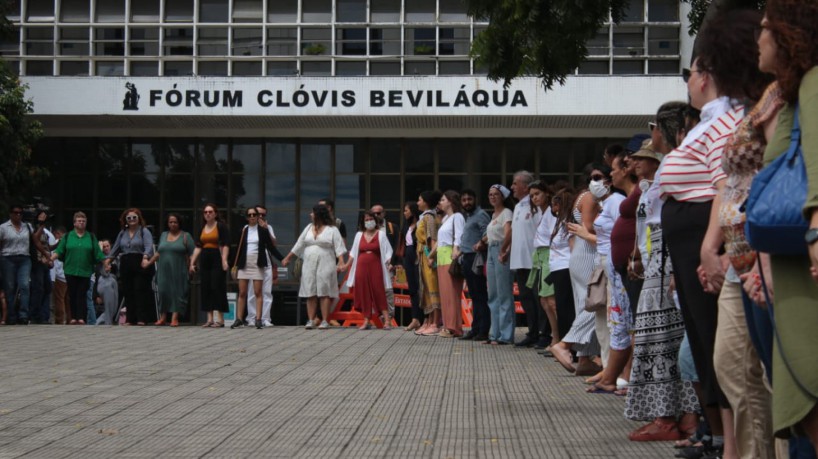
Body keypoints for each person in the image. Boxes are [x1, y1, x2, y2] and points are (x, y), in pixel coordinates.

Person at [659, 10, 772, 456]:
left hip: (733, 249)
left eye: (693, 72)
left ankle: (729, 442)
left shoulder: (733, 117)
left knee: (738, 363)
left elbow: (722, 185)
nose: (688, 80)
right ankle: (729, 443)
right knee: (724, 359)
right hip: (720, 248)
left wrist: (709, 245)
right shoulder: (724, 118)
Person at [751, 1, 818, 453]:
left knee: (810, 383)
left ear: (787, 35)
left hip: (806, 265)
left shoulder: (813, 83)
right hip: (792, 263)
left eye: (764, 30)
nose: (757, 39)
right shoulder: (798, 89)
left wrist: (815, 228)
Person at [626, 102, 700, 443]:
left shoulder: (676, 161)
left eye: (654, 126)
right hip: (662, 254)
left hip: (671, 254)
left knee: (664, 337)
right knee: (659, 336)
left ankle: (675, 416)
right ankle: (672, 413)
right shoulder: (664, 170)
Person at [587, 149, 639, 393]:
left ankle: (625, 374)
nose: (600, 181)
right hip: (611, 266)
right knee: (616, 320)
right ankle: (614, 372)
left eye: (604, 176)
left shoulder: (618, 201)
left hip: (622, 267)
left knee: (625, 320)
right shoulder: (609, 202)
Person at [551, 164, 609, 376]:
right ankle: (565, 344)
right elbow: (589, 227)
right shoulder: (589, 198)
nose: (604, 183)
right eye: (600, 178)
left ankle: (585, 358)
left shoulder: (583, 196)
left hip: (581, 255)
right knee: (595, 304)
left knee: (586, 303)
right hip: (588, 254)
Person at [282, 205, 347, 330]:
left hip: (326, 262)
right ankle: (311, 320)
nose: (310, 215)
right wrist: (288, 257)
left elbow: (339, 247)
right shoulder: (308, 228)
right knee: (310, 290)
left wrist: (341, 262)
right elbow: (299, 244)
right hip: (309, 263)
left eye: (313, 213)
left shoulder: (332, 229)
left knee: (324, 291)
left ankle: (325, 321)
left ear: (319, 214)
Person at [51, 212, 105, 325]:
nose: (81, 223)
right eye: (79, 221)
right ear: (74, 223)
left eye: (83, 221)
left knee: (82, 294)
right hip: (70, 269)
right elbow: (59, 251)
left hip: (85, 270)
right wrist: (51, 259)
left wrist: (106, 263)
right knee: (72, 294)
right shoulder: (67, 236)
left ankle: (81, 318)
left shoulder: (90, 237)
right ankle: (73, 317)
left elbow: (98, 253)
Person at [509, 171, 543, 348]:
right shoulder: (518, 206)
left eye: (515, 183)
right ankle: (532, 331)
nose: (512, 187)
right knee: (525, 298)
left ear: (525, 186)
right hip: (519, 261)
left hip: (533, 261)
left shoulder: (534, 205)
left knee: (537, 298)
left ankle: (541, 333)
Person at [106, 208, 155, 326]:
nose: (132, 220)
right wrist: (108, 261)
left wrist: (145, 257)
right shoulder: (123, 232)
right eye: (129, 218)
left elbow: (149, 246)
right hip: (126, 261)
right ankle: (130, 319)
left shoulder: (144, 231)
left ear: (139, 219)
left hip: (140, 261)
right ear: (125, 220)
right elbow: (116, 248)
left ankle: (142, 318)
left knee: (140, 289)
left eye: (134, 217)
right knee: (128, 290)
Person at [345, 211, 393, 330]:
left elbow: (388, 251)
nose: (368, 221)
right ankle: (366, 320)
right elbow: (353, 253)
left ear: (375, 221)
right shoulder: (358, 235)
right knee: (363, 292)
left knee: (379, 291)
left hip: (376, 266)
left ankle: (387, 320)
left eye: (370, 219)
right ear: (363, 222)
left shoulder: (380, 234)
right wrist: (346, 265)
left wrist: (389, 262)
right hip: (361, 266)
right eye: (366, 220)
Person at [145, 214, 194, 327]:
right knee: (163, 292)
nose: (173, 224)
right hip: (163, 269)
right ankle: (162, 318)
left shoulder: (186, 236)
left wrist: (192, 266)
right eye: (170, 222)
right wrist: (149, 263)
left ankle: (174, 318)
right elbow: (158, 253)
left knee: (177, 293)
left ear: (179, 223)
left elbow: (192, 253)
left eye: (175, 222)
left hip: (178, 269)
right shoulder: (163, 235)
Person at [230, 207, 276, 329]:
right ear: (246, 217)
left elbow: (271, 246)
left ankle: (259, 319)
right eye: (249, 215)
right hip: (245, 263)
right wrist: (233, 263)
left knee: (258, 292)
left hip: (258, 263)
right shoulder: (244, 230)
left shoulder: (264, 229)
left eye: (254, 214)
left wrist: (282, 259)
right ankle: (240, 319)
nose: (252, 217)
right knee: (243, 292)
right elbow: (238, 247)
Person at [527, 181, 559, 349]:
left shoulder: (552, 213)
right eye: (532, 196)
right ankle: (556, 337)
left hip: (550, 255)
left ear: (547, 193)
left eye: (537, 194)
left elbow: (555, 236)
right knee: (545, 301)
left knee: (551, 301)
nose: (534, 198)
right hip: (541, 256)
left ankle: (558, 339)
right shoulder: (541, 213)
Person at [189, 203, 230, 328]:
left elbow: (226, 245)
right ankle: (210, 319)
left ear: (215, 214)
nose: (208, 214)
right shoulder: (202, 227)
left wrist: (224, 260)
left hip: (217, 257)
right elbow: (198, 246)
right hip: (205, 258)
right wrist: (192, 262)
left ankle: (220, 320)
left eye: (210, 212)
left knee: (217, 286)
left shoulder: (221, 226)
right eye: (206, 212)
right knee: (205, 286)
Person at [484, 184, 515, 345]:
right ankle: (494, 333)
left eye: (496, 194)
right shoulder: (494, 214)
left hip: (501, 250)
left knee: (504, 294)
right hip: (491, 250)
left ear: (502, 196)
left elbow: (508, 232)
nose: (492, 197)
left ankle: (506, 334)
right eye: (490, 194)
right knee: (493, 294)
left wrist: (504, 250)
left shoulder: (506, 213)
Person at [459, 189, 490, 341]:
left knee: (480, 295)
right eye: (464, 200)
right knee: (474, 295)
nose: (467, 202)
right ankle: (475, 328)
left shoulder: (481, 214)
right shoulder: (469, 217)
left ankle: (483, 330)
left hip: (476, 258)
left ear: (475, 199)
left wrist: (480, 244)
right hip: (467, 258)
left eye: (469, 199)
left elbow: (487, 234)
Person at [0, 204, 40, 324]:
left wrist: (47, 255)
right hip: (8, 258)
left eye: (20, 213)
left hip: (24, 258)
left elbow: (36, 241)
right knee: (10, 287)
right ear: (10, 214)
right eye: (15, 213)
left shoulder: (27, 226)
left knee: (24, 285)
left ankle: (23, 315)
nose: (18, 215)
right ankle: (11, 316)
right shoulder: (3, 227)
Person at [246, 205, 284, 328]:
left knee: (266, 291)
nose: (260, 217)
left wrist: (266, 229)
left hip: (266, 262)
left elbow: (273, 245)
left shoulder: (268, 228)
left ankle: (265, 318)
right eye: (258, 214)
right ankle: (252, 318)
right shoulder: (247, 228)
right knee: (252, 291)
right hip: (252, 262)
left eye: (263, 215)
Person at [547, 187, 575, 347]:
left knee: (566, 308)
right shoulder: (560, 222)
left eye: (554, 205)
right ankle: (565, 343)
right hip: (557, 268)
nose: (552, 209)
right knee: (561, 307)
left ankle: (569, 346)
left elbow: (572, 246)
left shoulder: (567, 223)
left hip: (565, 268)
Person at [435, 190, 465, 338]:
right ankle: (448, 325)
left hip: (450, 257)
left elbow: (459, 235)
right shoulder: (445, 218)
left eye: (443, 200)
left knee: (452, 293)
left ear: (451, 201)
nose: (440, 202)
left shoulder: (457, 217)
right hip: (441, 257)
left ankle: (454, 327)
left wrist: (456, 251)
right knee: (445, 294)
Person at [414, 190, 442, 336]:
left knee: (432, 286)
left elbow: (432, 237)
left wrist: (431, 256)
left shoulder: (429, 217)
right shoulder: (424, 217)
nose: (417, 202)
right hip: (422, 255)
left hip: (428, 254)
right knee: (425, 288)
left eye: (419, 199)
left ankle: (436, 322)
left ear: (426, 201)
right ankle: (429, 320)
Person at [371, 204, 398, 321]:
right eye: (374, 213)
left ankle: (389, 317)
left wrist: (394, 262)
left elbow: (398, 246)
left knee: (388, 290)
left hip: (388, 264)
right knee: (373, 290)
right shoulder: (368, 228)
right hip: (372, 263)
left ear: (384, 213)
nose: (376, 215)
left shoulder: (392, 227)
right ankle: (375, 316)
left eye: (379, 213)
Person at [398, 202, 422, 332]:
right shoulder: (406, 225)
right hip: (408, 255)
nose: (404, 213)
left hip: (418, 255)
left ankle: (424, 319)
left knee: (421, 288)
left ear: (413, 211)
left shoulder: (420, 224)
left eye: (406, 210)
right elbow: (401, 243)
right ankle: (415, 319)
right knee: (412, 289)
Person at [30, 211, 56, 324]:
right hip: (38, 261)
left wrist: (58, 243)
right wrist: (41, 225)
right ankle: (34, 315)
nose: (44, 218)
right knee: (38, 288)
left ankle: (44, 316)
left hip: (45, 262)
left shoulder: (45, 231)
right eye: (42, 216)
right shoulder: (33, 228)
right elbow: (35, 240)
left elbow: (47, 246)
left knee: (47, 288)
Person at [94, 239, 119, 325]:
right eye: (104, 247)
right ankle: (99, 323)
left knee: (113, 309)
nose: (106, 248)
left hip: (114, 283)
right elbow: (97, 277)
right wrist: (97, 295)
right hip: (105, 284)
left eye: (107, 246)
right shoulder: (99, 261)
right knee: (108, 308)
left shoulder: (115, 258)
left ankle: (102, 323)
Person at [50, 227, 69, 325]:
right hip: (69, 275)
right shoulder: (70, 243)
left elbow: (55, 259)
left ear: (57, 233)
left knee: (59, 299)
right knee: (68, 299)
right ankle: (70, 319)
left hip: (60, 275)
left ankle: (60, 320)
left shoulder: (57, 243)